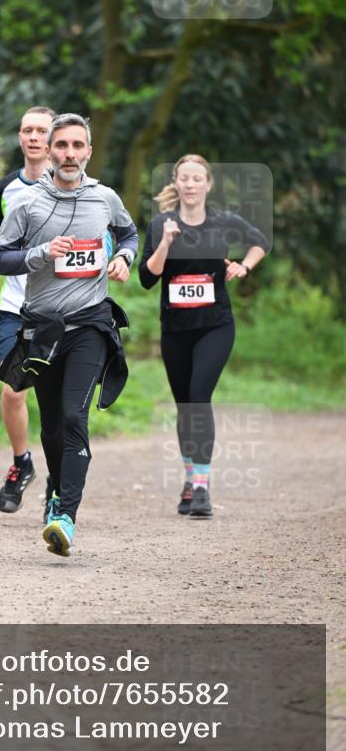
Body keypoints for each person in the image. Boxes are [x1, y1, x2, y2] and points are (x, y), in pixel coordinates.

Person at [0, 113, 138, 556]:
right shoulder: (27, 203)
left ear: (88, 151)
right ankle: (56, 490)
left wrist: (125, 258)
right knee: (53, 426)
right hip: (43, 330)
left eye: (78, 145)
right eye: (62, 146)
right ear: (51, 151)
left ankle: (65, 517)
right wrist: (41, 253)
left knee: (75, 417)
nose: (70, 154)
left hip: (90, 325)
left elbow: (129, 234)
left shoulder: (105, 197)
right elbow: (1, 258)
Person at [138, 155, 269, 518]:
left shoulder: (224, 221)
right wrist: (165, 243)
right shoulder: (161, 224)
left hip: (215, 326)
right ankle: (190, 478)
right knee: (184, 406)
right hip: (175, 329)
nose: (191, 184)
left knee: (198, 397)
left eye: (197, 178)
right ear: (176, 184)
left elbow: (260, 242)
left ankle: (201, 487)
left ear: (208, 185)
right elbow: (147, 279)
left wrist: (244, 266)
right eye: (184, 178)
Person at [0, 106, 56, 515]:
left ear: (53, 138)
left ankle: (59, 479)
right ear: (19, 137)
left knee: (55, 396)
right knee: (13, 391)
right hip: (14, 306)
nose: (33, 137)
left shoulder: (71, 187)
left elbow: (99, 238)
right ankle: (21, 463)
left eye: (41, 130)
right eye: (27, 130)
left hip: (58, 307)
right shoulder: (4, 188)